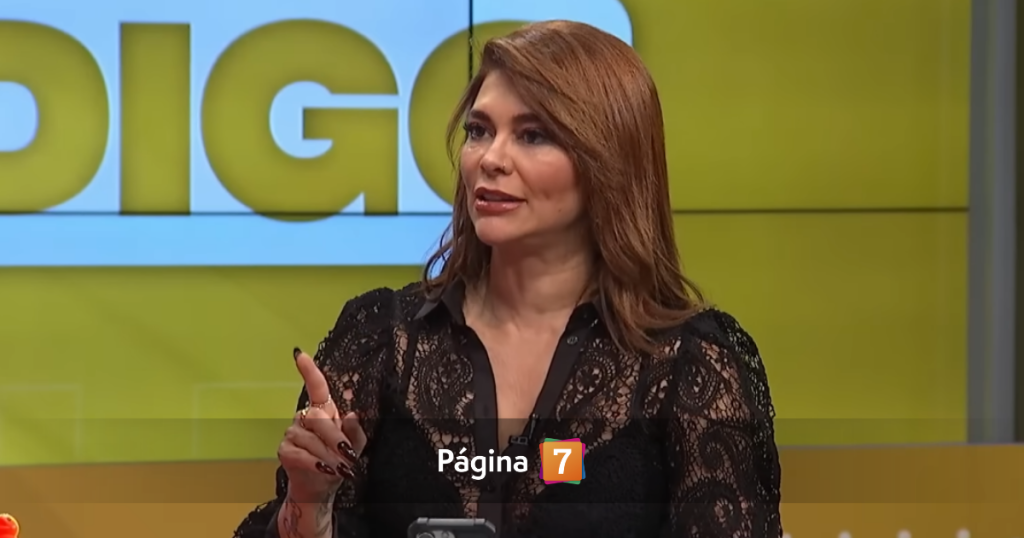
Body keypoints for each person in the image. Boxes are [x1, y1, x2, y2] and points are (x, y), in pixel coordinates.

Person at [234, 19, 783, 538]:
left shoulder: (691, 365)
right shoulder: (381, 340)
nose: (490, 159)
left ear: (608, 160)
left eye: (533, 135)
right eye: (479, 131)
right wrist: (310, 502)